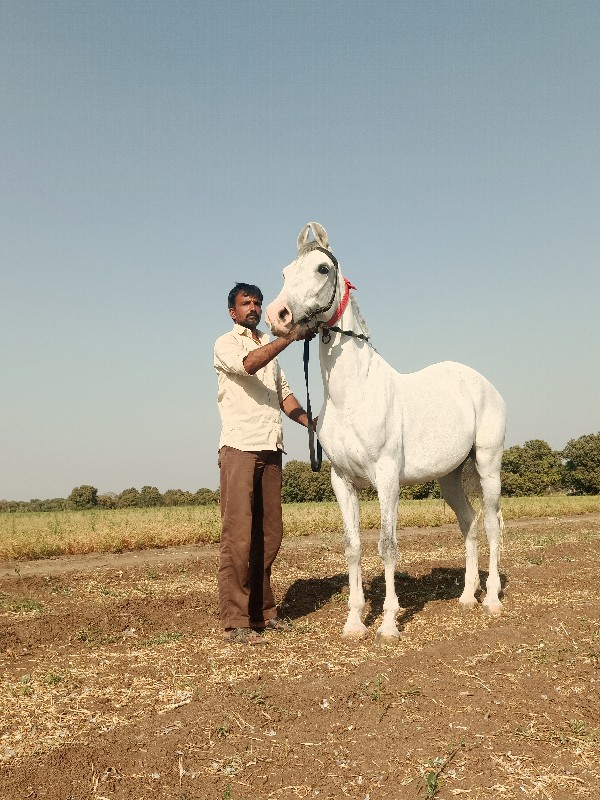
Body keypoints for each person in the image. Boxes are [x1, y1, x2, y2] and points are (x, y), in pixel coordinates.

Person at [214, 282, 313, 645]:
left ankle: (263, 610)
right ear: (233, 311)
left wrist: (311, 423)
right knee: (239, 536)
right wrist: (289, 337)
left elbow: (284, 396)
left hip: (271, 449)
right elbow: (248, 365)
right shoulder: (227, 343)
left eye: (257, 302)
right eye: (246, 303)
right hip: (240, 448)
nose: (253, 308)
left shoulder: (267, 348)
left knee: (269, 536)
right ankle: (236, 620)